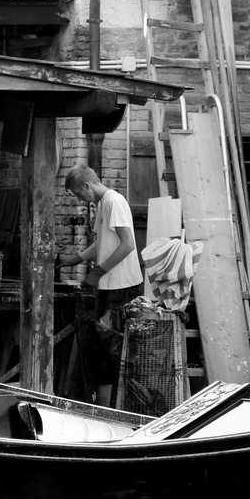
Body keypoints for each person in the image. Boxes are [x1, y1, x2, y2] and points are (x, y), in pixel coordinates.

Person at [58, 165, 144, 404]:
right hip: (110, 286)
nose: (78, 198)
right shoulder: (102, 203)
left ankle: (115, 406)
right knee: (103, 347)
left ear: (87, 185)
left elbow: (127, 245)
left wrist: (98, 271)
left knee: (113, 348)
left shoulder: (113, 202)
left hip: (122, 287)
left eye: (77, 193)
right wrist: (74, 260)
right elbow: (102, 243)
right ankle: (104, 405)